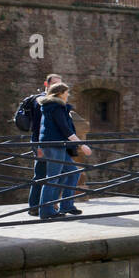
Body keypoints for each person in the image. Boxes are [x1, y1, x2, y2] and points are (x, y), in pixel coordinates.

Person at [37, 83, 90, 219]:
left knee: (73, 173)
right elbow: (64, 128)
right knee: (53, 178)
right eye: (67, 92)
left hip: (56, 145)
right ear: (60, 93)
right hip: (54, 145)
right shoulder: (56, 107)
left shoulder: (53, 106)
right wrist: (81, 144)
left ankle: (66, 205)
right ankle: (46, 210)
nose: (68, 94)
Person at [22, 73, 65, 216]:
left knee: (54, 174)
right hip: (41, 142)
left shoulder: (54, 101)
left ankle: (47, 206)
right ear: (47, 85)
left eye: (59, 84)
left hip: (50, 144)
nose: (57, 87)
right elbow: (41, 127)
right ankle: (37, 207)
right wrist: (39, 146)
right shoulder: (40, 101)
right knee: (41, 174)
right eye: (54, 84)